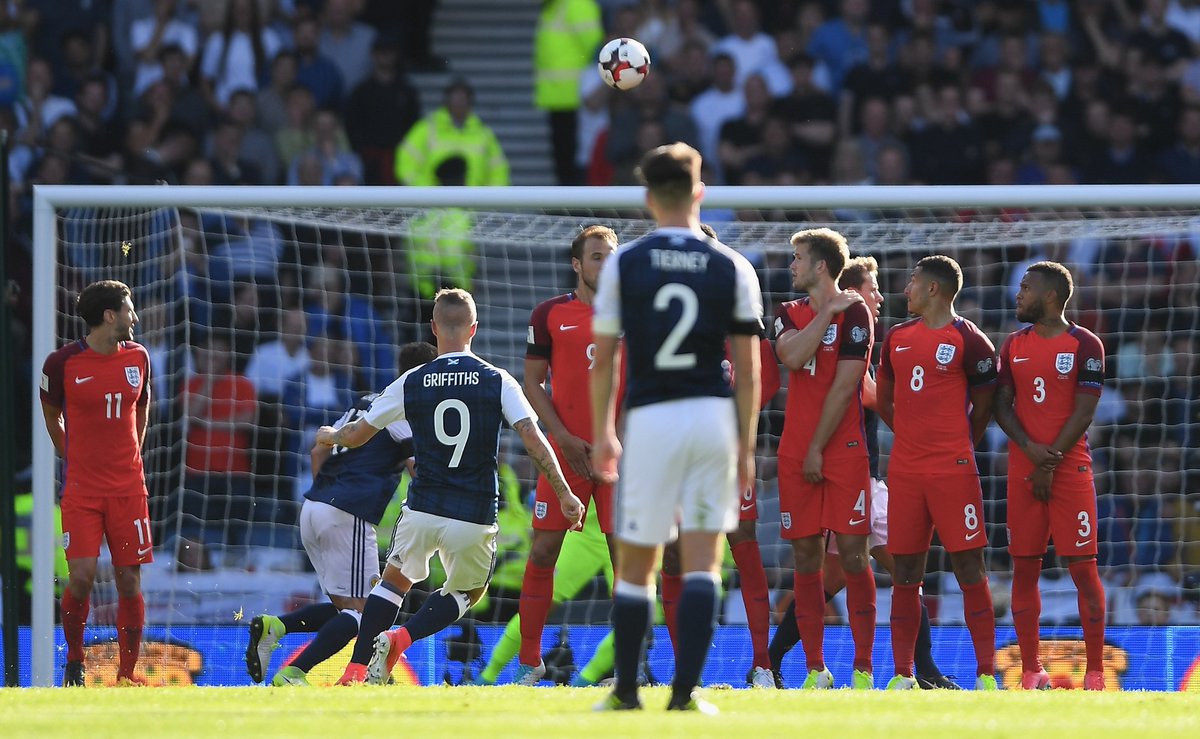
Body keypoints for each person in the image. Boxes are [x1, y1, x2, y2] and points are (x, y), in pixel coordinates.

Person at [314, 289, 583, 685]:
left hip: (423, 506)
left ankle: (355, 671)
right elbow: (532, 437)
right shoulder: (498, 379)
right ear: (474, 329)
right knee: (467, 593)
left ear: (434, 328)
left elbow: (356, 435)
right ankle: (401, 637)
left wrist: (329, 435)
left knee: (392, 583)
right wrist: (564, 492)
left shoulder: (411, 380)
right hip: (472, 513)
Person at [590, 143, 763, 713]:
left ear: (646, 198)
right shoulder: (731, 264)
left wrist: (603, 432)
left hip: (651, 416)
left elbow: (606, 355)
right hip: (712, 416)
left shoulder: (625, 263)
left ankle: (625, 694)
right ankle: (685, 696)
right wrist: (745, 444)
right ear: (700, 192)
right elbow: (749, 366)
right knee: (703, 560)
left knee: (639, 562)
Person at [766, 256, 958, 690]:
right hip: (852, 480)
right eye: (871, 289)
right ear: (850, 291)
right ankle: (912, 670)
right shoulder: (852, 342)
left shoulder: (861, 344)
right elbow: (874, 401)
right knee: (898, 573)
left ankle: (781, 658)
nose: (880, 297)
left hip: (866, 481)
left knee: (852, 577)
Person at [245, 341, 437, 687]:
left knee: (345, 610)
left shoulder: (364, 403)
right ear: (426, 376)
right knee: (365, 612)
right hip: (348, 513)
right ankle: (295, 673)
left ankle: (278, 627)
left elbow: (318, 449)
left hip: (315, 507)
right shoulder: (406, 411)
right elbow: (417, 470)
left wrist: (327, 496)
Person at [877, 255, 999, 691]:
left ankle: (987, 674)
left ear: (933, 289)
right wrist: (912, 438)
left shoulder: (971, 339)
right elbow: (886, 400)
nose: (904, 289)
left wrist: (958, 444)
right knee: (904, 572)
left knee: (969, 566)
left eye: (912, 281)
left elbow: (986, 404)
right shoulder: (895, 338)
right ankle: (904, 674)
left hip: (953, 470)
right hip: (906, 471)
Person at [993, 261, 1108, 691]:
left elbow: (1085, 410)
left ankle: (1095, 673)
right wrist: (1029, 451)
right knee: (1024, 570)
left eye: (1026, 287)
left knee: (1082, 569)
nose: (1018, 294)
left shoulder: (1085, 344)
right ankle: (1030, 672)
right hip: (1024, 470)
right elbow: (1002, 404)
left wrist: (1049, 460)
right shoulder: (1012, 344)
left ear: (1051, 296)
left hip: (1070, 471)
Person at [769, 229, 876, 690]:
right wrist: (823, 315)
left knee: (854, 556)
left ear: (820, 266)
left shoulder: (858, 316)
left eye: (798, 258)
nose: (791, 265)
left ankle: (865, 670)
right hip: (795, 451)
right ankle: (816, 670)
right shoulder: (787, 313)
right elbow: (791, 356)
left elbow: (845, 386)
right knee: (806, 557)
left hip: (842, 451)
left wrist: (817, 446)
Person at [513, 224, 619, 684]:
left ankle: (628, 666)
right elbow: (532, 383)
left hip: (620, 456)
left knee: (627, 562)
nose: (606, 262)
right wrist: (562, 437)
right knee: (543, 551)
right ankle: (530, 663)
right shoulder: (549, 314)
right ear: (577, 264)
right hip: (564, 454)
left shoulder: (634, 312)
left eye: (611, 254)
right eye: (596, 256)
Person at [40, 280, 152, 687]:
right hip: (82, 490)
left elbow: (142, 406)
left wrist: (132, 456)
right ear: (110, 316)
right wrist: (69, 452)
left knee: (129, 580)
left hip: (128, 489)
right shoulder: (61, 363)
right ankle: (74, 659)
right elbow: (51, 413)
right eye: (129, 309)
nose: (134, 317)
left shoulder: (139, 357)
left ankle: (126, 675)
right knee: (82, 576)